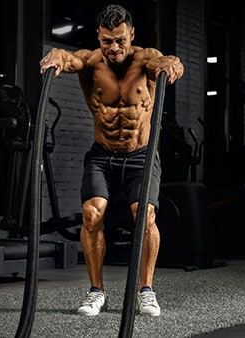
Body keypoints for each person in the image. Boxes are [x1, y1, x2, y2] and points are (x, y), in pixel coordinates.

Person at [39, 4, 184, 317]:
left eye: (120, 40)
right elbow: (70, 58)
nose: (114, 48)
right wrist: (56, 55)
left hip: (141, 156)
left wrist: (173, 63)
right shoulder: (92, 62)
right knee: (92, 215)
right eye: (107, 41)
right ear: (98, 37)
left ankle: (145, 290)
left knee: (143, 215)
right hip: (102, 155)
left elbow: (165, 61)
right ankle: (96, 291)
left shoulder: (144, 58)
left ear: (131, 34)